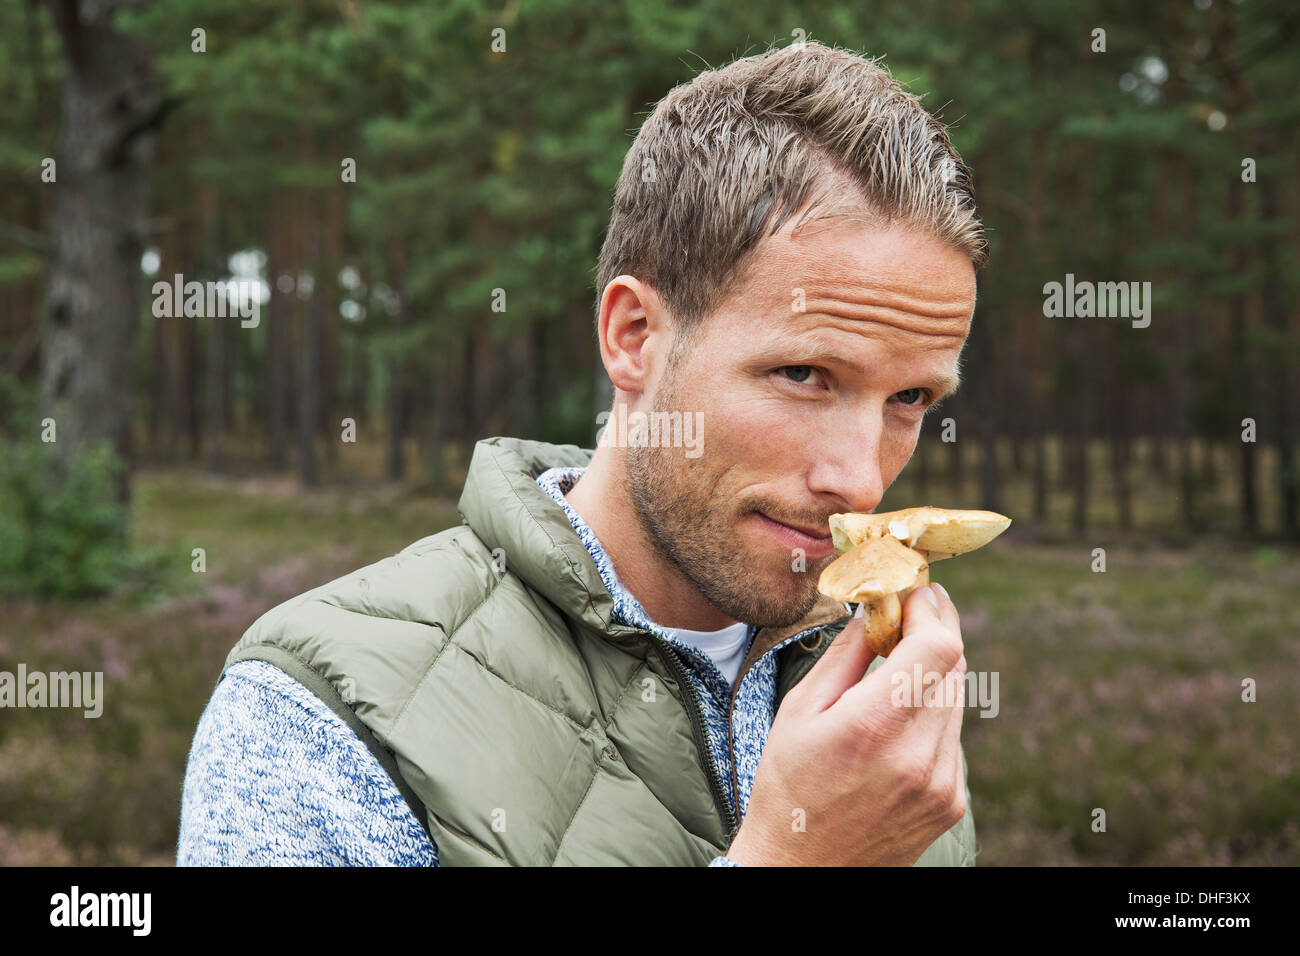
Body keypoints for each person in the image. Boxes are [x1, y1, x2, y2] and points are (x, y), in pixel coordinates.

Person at [177, 39, 987, 867]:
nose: (858, 480)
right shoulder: (323, 716)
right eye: (805, 374)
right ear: (633, 336)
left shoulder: (882, 695)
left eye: (910, 399)